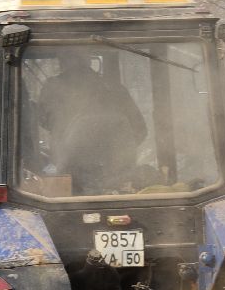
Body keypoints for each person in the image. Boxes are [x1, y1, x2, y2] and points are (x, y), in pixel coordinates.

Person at [37, 51, 147, 193]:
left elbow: (44, 121)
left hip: (72, 177)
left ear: (63, 61)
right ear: (89, 60)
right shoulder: (116, 89)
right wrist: (117, 154)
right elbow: (140, 130)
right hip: (118, 178)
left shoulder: (52, 87)